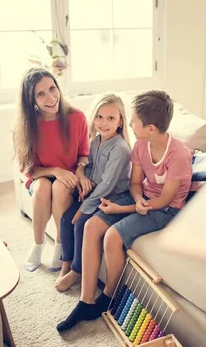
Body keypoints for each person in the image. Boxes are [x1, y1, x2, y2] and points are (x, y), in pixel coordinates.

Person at [57, 90, 193, 332]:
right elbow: (135, 184)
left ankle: (107, 296)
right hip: (140, 199)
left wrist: (124, 207)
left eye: (133, 121)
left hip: (164, 210)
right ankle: (86, 300)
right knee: (90, 225)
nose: (129, 124)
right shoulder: (141, 145)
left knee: (112, 236)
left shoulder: (179, 156)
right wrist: (136, 199)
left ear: (151, 128)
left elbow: (162, 201)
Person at [13, 67, 90, 272]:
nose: (51, 97)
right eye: (41, 94)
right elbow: (28, 168)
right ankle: (38, 245)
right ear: (31, 100)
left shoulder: (77, 117)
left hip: (70, 178)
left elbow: (84, 153)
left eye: (52, 89)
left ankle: (60, 245)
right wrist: (55, 171)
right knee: (42, 189)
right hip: (41, 176)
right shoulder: (28, 125)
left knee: (61, 188)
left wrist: (79, 170)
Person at [56, 93, 132, 292]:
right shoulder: (95, 141)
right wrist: (84, 182)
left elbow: (107, 184)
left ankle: (77, 271)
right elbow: (90, 167)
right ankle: (67, 261)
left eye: (110, 118)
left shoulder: (120, 149)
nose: (104, 123)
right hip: (95, 193)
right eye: (99, 117)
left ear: (120, 121)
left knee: (80, 221)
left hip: (113, 197)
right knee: (66, 219)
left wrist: (85, 207)